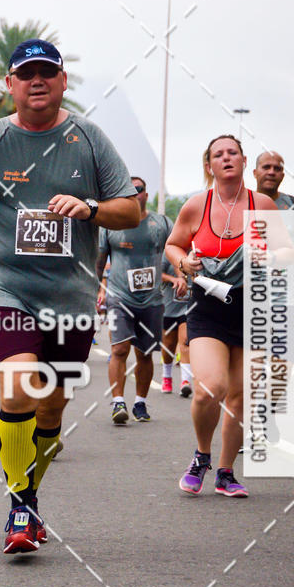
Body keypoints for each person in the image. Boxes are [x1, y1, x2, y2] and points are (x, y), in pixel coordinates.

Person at [0, 39, 140, 554]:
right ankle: (20, 505)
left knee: (52, 412)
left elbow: (131, 211)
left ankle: (30, 491)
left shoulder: (88, 138)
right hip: (6, 289)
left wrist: (90, 208)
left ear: (62, 83)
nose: (37, 82)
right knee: (17, 389)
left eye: (47, 73)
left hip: (71, 297)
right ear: (9, 85)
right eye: (26, 74)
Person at [165, 135, 276, 499]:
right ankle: (202, 455)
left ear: (244, 161)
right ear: (209, 165)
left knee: (240, 397)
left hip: (251, 307)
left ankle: (226, 473)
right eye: (218, 154)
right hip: (207, 309)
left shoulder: (263, 205)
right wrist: (184, 263)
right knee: (209, 388)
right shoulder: (197, 205)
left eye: (232, 153)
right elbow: (173, 244)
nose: (226, 158)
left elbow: (278, 254)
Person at [96, 177, 173, 423]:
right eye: (127, 190)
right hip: (119, 297)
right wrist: (93, 291)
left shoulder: (161, 223)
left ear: (146, 195)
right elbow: (98, 263)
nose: (134, 194)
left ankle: (140, 402)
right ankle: (118, 402)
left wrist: (182, 277)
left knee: (145, 354)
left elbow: (176, 250)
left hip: (152, 300)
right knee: (119, 349)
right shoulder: (109, 226)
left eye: (138, 189)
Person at [254, 150, 294, 342]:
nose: (271, 172)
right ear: (254, 172)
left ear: (283, 175)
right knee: (248, 363)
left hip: (282, 298)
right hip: (245, 296)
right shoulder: (243, 202)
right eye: (266, 167)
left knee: (279, 365)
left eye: (277, 168)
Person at [160, 253, 193, 396]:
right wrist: (173, 279)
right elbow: (157, 274)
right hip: (169, 307)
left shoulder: (197, 253)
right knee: (168, 346)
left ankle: (185, 381)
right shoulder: (168, 254)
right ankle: (166, 376)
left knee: (185, 341)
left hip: (188, 307)